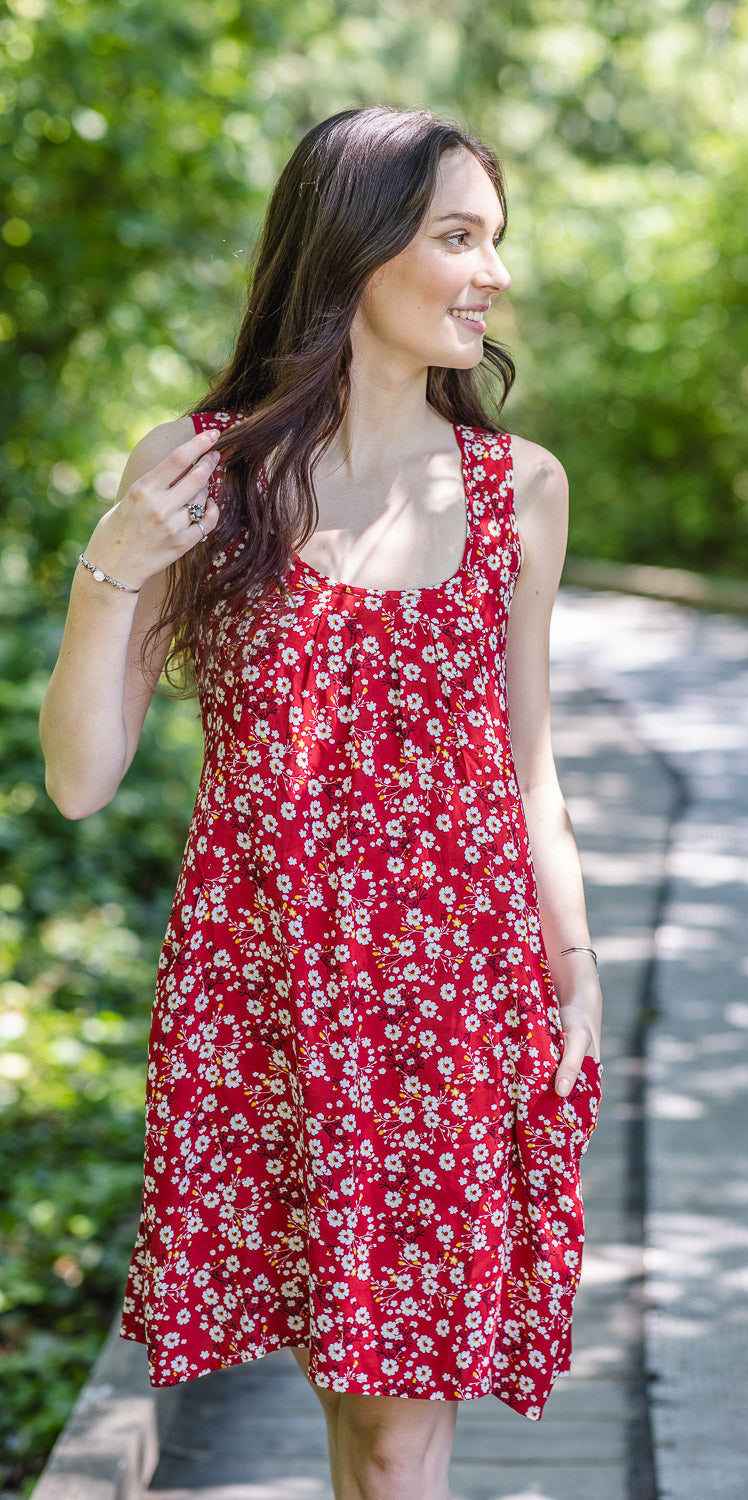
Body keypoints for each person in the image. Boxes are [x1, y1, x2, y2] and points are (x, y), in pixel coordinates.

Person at [39, 105, 603, 1500]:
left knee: (402, 1433)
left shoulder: (518, 490)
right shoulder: (202, 469)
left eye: (498, 241)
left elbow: (527, 768)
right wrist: (107, 571)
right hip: (274, 992)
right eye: (459, 238)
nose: (495, 275)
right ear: (357, 251)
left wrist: (573, 966)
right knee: (360, 1422)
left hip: (462, 994)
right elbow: (79, 778)